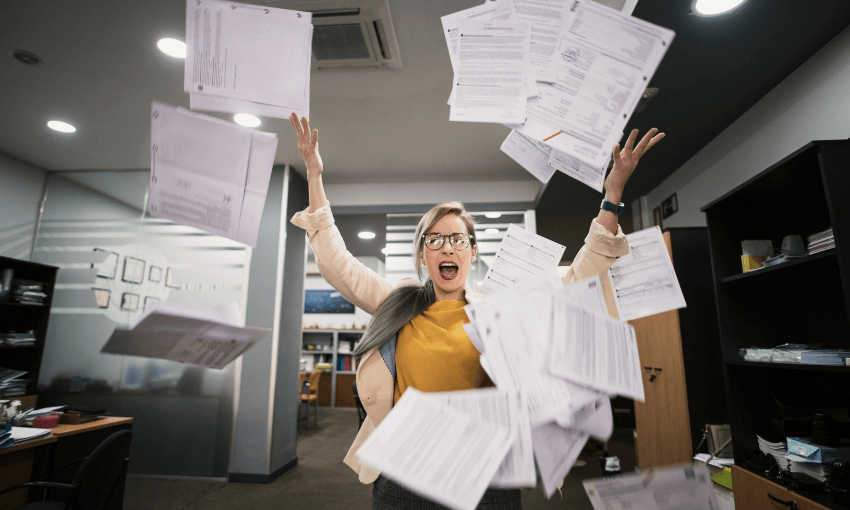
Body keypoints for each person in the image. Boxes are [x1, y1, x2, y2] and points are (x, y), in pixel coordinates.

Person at [289, 112, 664, 510]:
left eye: (458, 239)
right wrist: (314, 174)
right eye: (435, 239)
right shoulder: (398, 301)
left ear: (472, 252)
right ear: (422, 254)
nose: (447, 247)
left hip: (487, 475)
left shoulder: (500, 307)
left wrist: (613, 193)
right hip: (404, 473)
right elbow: (337, 264)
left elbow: (579, 276)